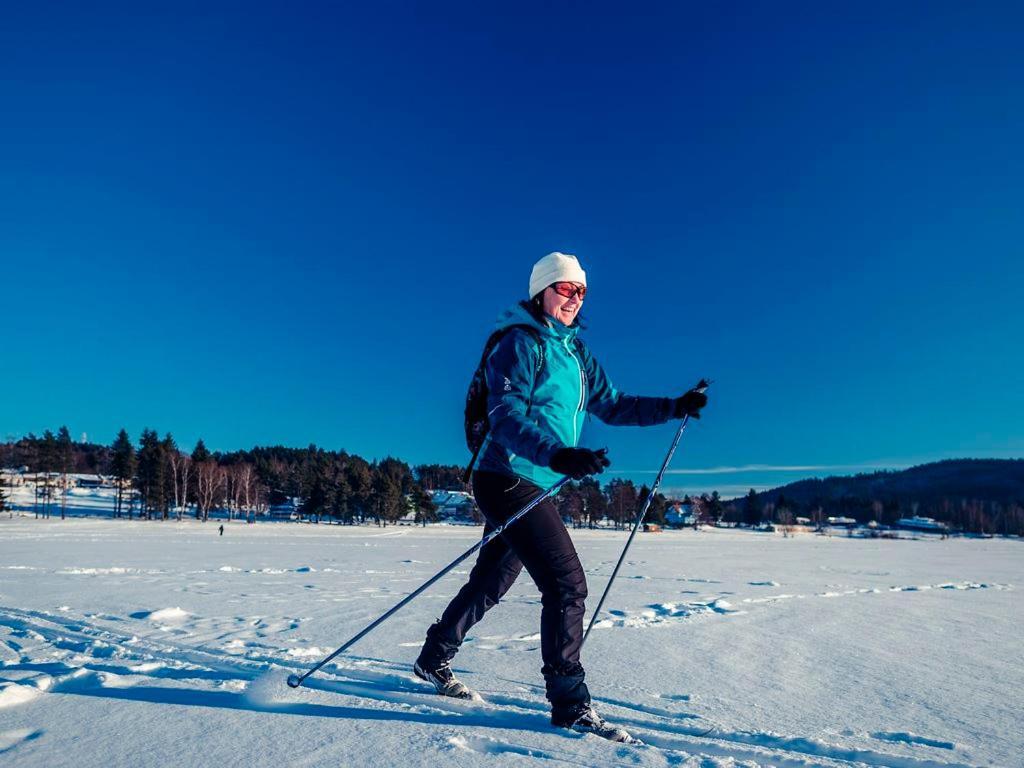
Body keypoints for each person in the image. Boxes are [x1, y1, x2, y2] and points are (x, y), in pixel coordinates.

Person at [413, 252, 708, 741]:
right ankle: (570, 704)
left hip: (536, 479)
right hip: (504, 475)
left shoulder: (576, 354)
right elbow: (504, 417)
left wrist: (675, 405)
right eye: (566, 288)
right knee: (567, 584)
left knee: (491, 580)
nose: (575, 298)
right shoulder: (519, 343)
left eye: (582, 291)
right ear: (541, 292)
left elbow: (614, 404)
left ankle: (432, 658)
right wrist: (558, 455)